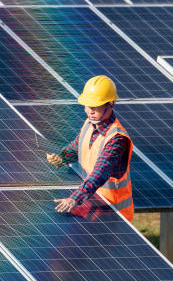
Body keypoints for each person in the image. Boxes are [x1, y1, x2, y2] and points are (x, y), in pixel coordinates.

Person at [46, 75, 134, 221]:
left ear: (110, 104)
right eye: (87, 105)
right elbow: (76, 147)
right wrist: (61, 158)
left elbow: (100, 172)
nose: (89, 111)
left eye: (95, 106)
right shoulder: (89, 123)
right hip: (91, 207)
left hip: (113, 215)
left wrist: (75, 199)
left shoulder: (117, 139)